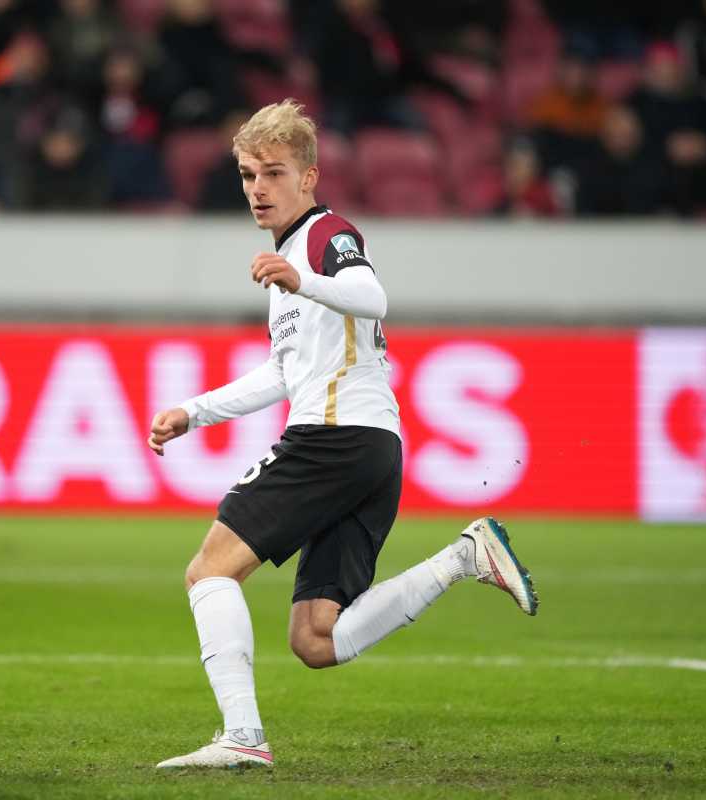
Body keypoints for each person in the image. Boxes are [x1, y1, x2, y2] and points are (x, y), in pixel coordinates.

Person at [147, 100, 539, 769]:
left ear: (308, 177)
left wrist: (303, 278)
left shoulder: (327, 235)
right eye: (248, 175)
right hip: (371, 448)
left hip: (333, 437)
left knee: (209, 570)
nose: (258, 188)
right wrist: (195, 411)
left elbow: (372, 296)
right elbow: (283, 372)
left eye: (273, 173)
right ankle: (463, 558)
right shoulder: (290, 258)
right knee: (316, 639)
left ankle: (242, 737)